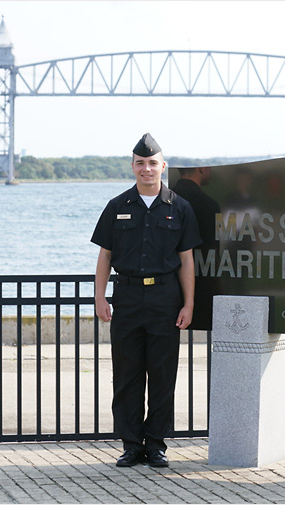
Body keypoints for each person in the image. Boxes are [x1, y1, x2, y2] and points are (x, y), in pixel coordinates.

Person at [91, 133, 201, 467]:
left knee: (163, 373)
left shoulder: (179, 207)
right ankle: (131, 444)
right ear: (133, 167)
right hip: (127, 296)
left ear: (163, 167)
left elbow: (186, 260)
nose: (147, 169)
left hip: (166, 298)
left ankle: (156, 445)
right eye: (141, 163)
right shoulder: (117, 206)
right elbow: (105, 256)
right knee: (127, 374)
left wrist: (189, 304)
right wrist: (100, 297)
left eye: (153, 163)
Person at [172, 167, 221, 328]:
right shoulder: (209, 205)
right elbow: (212, 250)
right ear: (201, 169)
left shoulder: (166, 200)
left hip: (167, 286)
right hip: (203, 284)